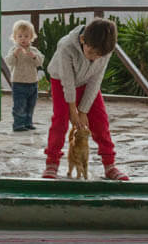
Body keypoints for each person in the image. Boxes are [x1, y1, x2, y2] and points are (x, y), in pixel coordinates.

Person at [42, 17, 129, 180]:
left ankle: (109, 165)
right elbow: (67, 82)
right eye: (91, 53)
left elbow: (96, 79)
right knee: (60, 120)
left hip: (87, 81)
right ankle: (52, 163)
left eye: (99, 55)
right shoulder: (66, 46)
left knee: (100, 121)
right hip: (61, 80)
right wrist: (73, 110)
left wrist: (83, 111)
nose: (94, 58)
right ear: (83, 40)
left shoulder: (106, 48)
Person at [4, 20, 45, 132]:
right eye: (20, 36)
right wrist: (14, 55)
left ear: (31, 37)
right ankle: (18, 124)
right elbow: (9, 62)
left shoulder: (34, 50)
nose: (23, 38)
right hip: (18, 83)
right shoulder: (14, 50)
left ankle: (28, 122)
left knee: (30, 105)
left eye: (26, 36)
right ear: (15, 37)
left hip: (32, 82)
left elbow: (40, 62)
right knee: (19, 105)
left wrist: (34, 57)